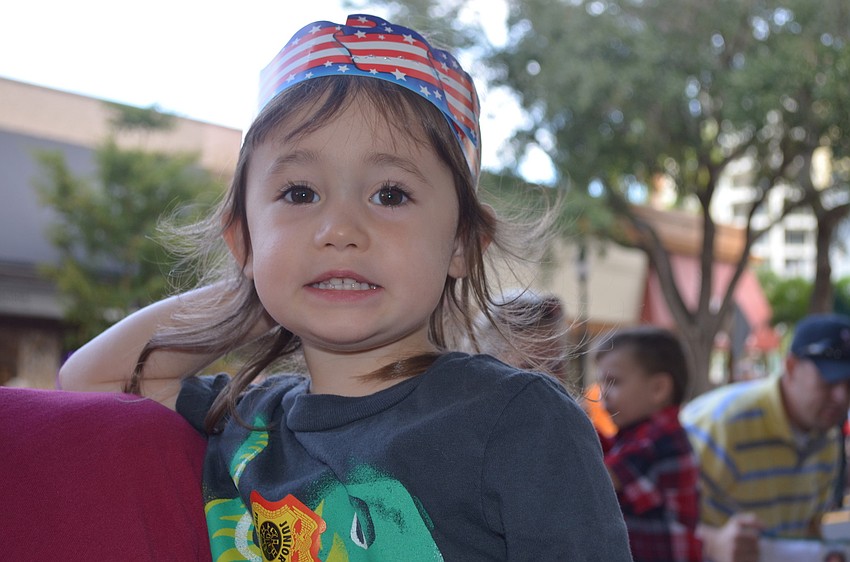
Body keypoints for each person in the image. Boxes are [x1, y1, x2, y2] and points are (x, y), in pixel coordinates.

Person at [58, 14, 632, 561]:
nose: (338, 231)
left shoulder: (521, 420)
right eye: (300, 194)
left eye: (390, 194)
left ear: (460, 243)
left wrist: (290, 268)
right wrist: (262, 283)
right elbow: (90, 381)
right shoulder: (241, 421)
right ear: (244, 241)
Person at [681, 313, 850, 562]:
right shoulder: (717, 424)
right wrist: (714, 543)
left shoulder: (828, 434)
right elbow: (646, 521)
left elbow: (808, 526)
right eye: (830, 379)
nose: (841, 396)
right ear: (791, 367)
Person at [594, 326, 702, 562]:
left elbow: (598, 478)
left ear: (658, 388)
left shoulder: (662, 440)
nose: (603, 395)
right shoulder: (637, 435)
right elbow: (604, 451)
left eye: (613, 382)